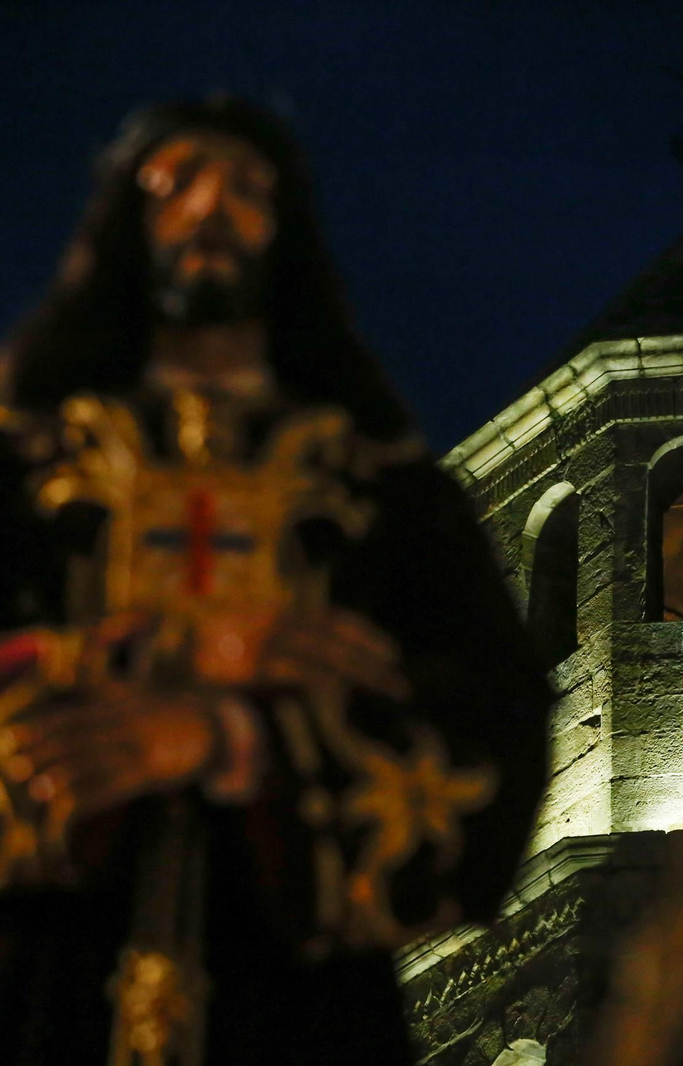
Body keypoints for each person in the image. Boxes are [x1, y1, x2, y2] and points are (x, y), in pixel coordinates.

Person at [0, 97, 551, 1065]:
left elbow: (494, 730)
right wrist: (197, 655)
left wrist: (230, 737)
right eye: (175, 181)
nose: (212, 202)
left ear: (287, 232)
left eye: (249, 187)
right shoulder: (26, 470)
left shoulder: (383, 499)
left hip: (298, 1014)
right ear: (124, 221)